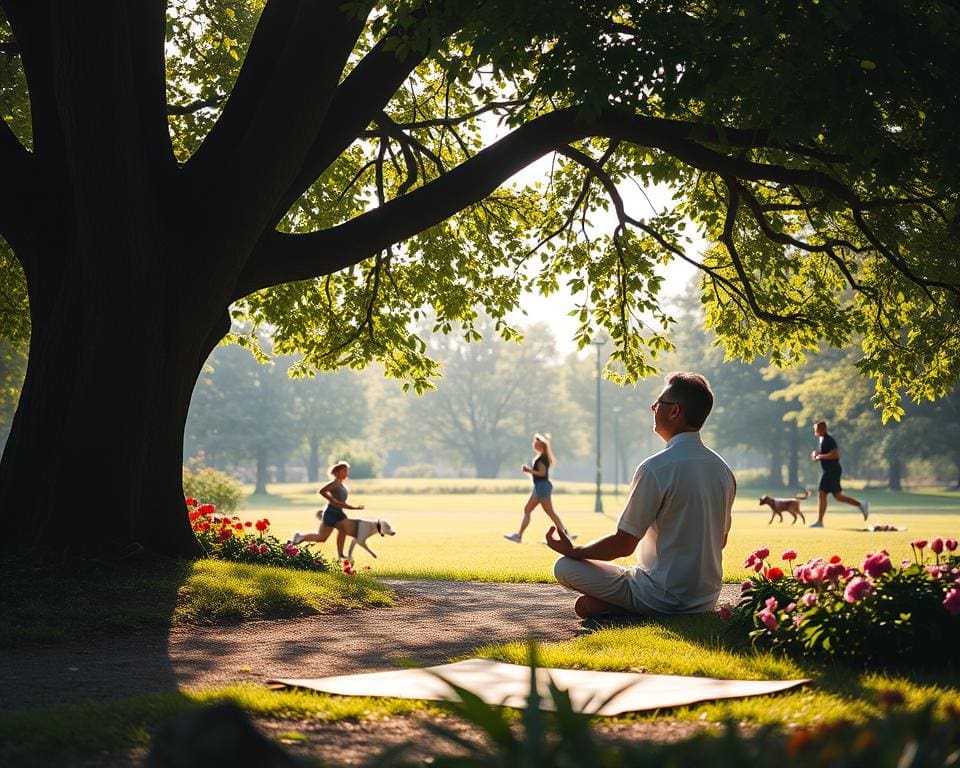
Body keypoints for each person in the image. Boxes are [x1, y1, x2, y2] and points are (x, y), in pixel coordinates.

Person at [547, 372, 736, 619]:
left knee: (564, 567)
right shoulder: (723, 471)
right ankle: (621, 606)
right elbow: (720, 542)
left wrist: (574, 550)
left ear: (674, 411)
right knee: (612, 586)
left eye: (658, 404)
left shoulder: (655, 468)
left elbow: (623, 545)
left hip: (658, 595)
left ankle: (627, 607)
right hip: (704, 600)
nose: (653, 408)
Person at [504, 433, 574, 543]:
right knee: (539, 511)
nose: (534, 445)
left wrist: (529, 470)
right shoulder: (542, 457)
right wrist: (530, 471)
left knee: (535, 510)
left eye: (536, 443)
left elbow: (542, 473)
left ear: (541, 446)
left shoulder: (541, 458)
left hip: (542, 487)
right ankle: (565, 534)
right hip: (541, 487)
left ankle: (519, 536)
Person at [292, 460, 365, 559]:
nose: (346, 473)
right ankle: (300, 537)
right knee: (322, 538)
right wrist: (331, 499)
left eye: (347, 471)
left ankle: (341, 555)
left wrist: (340, 503)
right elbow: (322, 491)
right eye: (344, 471)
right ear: (338, 472)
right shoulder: (335, 483)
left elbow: (340, 502)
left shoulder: (340, 484)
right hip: (331, 514)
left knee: (343, 531)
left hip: (338, 513)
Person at [809, 420, 869, 527]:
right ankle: (861, 504)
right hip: (831, 471)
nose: (814, 430)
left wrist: (820, 457)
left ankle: (819, 522)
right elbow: (823, 454)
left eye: (816, 428)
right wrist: (816, 454)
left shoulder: (829, 440)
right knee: (838, 496)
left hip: (832, 471)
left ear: (822, 429)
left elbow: (836, 455)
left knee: (822, 493)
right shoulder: (822, 440)